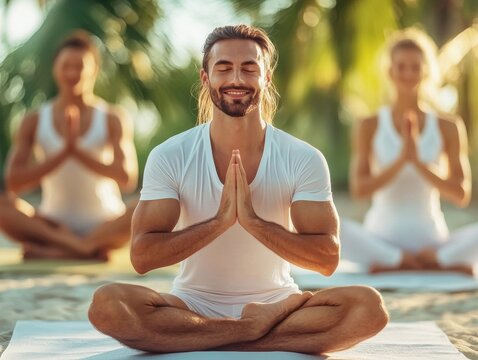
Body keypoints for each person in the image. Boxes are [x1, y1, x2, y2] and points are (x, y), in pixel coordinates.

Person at [88, 25, 388, 355]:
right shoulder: (170, 155)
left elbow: (327, 259)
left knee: (368, 308)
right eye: (224, 67)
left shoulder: (302, 158)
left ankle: (214, 335)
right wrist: (218, 222)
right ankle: (247, 331)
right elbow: (142, 257)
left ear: (266, 78)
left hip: (277, 306)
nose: (237, 79)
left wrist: (255, 223)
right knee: (107, 305)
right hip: (192, 307)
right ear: (205, 78)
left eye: (249, 68)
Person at [341, 28, 477, 275]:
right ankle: (407, 259)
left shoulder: (448, 126)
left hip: (432, 240)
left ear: (426, 71)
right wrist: (402, 160)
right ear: (390, 71)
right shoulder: (368, 125)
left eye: (415, 67)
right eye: (401, 66)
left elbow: (461, 194)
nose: (408, 73)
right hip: (380, 239)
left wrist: (419, 163)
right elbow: (359, 190)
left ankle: (427, 259)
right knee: (336, 228)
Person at [0, 30, 138, 260]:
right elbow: (13, 182)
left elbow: (127, 179)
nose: (73, 73)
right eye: (66, 65)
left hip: (105, 223)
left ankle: (64, 250)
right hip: (51, 225)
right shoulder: (33, 120)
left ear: (94, 70)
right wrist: (63, 153)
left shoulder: (113, 117)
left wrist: (78, 152)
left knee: (146, 205)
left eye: (80, 66)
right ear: (55, 68)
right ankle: (79, 247)